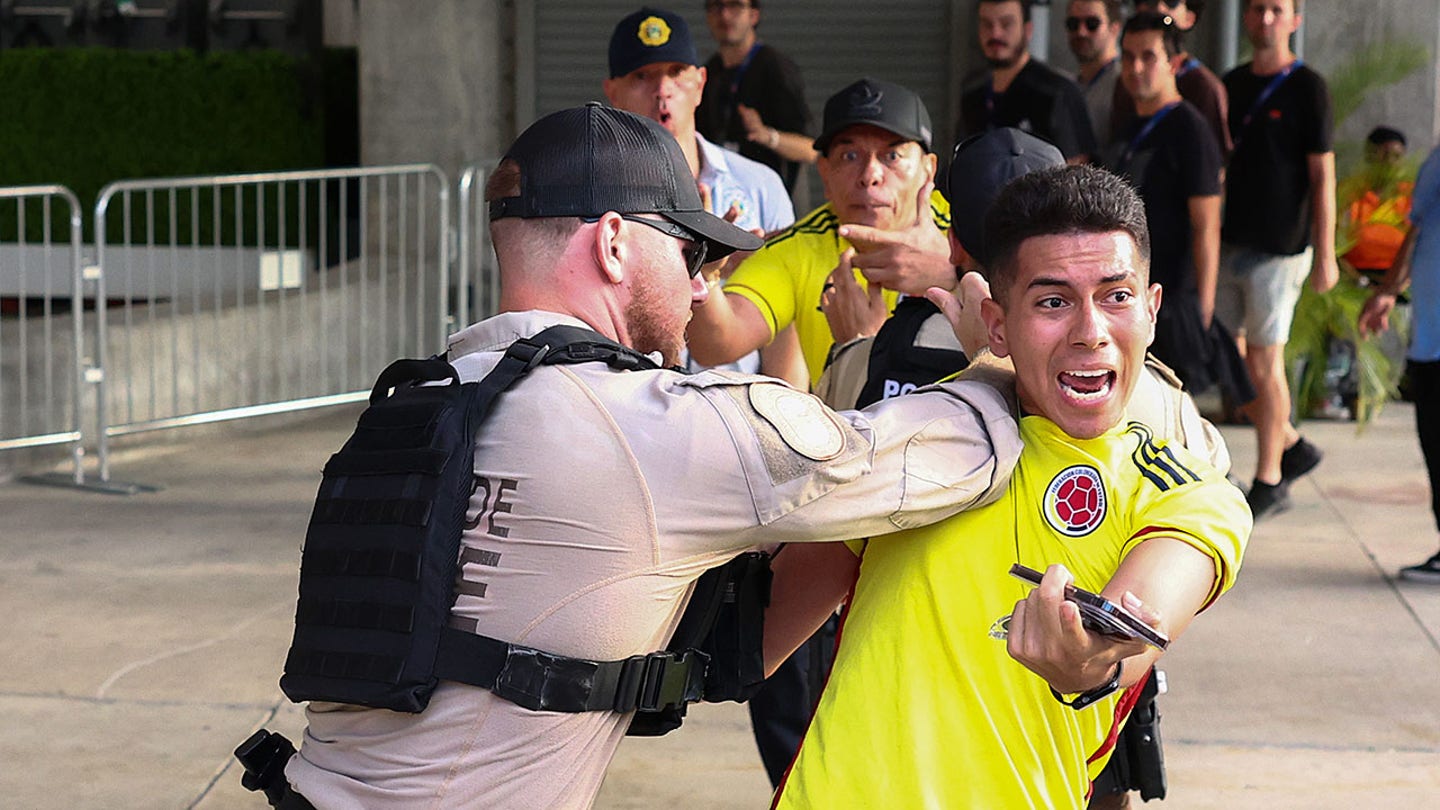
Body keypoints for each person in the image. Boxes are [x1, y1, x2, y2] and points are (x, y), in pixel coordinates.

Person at [276, 103, 1027, 809]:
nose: (702, 289)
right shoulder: (649, 426)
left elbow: (723, 644)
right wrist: (996, 345)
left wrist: (850, 531)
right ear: (612, 244)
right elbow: (954, 453)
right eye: (689, 251)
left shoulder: (414, 406)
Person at [771, 164, 1251, 808]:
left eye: (1116, 296)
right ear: (997, 322)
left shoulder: (1187, 490)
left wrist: (1087, 662)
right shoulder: (912, 442)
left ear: (1153, 309)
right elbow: (761, 634)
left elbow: (1132, 635)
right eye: (1053, 301)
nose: (1090, 330)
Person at [687, 77, 955, 388]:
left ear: (928, 169)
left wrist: (953, 274)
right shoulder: (800, 246)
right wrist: (704, 274)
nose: (870, 175)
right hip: (852, 434)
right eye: (849, 156)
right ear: (825, 174)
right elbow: (715, 344)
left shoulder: (970, 233)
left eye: (892, 156)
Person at [604, 6, 802, 383]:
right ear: (612, 91)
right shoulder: (594, 196)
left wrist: (787, 423)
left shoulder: (760, 186)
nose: (663, 91)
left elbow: (784, 332)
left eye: (676, 73)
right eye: (641, 76)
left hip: (741, 411)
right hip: (633, 406)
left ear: (700, 82)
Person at [1219, 0, 1337, 519]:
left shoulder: (1309, 87)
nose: (1265, 18)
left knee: (1265, 363)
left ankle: (1270, 477)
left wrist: (1326, 253)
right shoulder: (1231, 83)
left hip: (1282, 248)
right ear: (1245, 18)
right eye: (1257, 9)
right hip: (1231, 243)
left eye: (1276, 9)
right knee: (1226, 355)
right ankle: (1290, 442)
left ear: (1295, 19)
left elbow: (1323, 177)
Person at [1105, 11, 1253, 410]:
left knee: (1175, 410)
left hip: (1177, 296)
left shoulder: (1191, 129)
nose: (1136, 68)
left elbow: (1207, 225)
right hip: (1135, 289)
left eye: (1148, 57)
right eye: (1128, 56)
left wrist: (1203, 308)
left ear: (1172, 63)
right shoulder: (1127, 124)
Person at [1359, 140, 1440, 583]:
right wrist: (1388, 291)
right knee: (1434, 446)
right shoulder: (1436, 161)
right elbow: (1418, 230)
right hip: (1429, 340)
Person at [696, 0, 815, 191]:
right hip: (726, 197)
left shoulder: (775, 67)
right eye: (716, 6)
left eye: (735, 5)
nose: (725, 15)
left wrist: (767, 136)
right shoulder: (710, 71)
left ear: (753, 15)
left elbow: (810, 149)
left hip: (772, 200)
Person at [959, 0, 1098, 163]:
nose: (995, 34)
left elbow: (1077, 169)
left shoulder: (1058, 92)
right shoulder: (972, 92)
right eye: (987, 25)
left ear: (1028, 29)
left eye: (1006, 24)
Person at [1114, 0, 1233, 159]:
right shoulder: (1125, 83)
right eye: (1150, 1)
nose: (1159, 8)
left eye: (1171, 2)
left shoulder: (1204, 87)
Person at [1341, 126, 1414, 286]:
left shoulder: (1410, 196)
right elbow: (1332, 245)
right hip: (1351, 280)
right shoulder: (1349, 193)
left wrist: (1400, 284)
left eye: (1397, 156)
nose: (1390, 162)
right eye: (1384, 155)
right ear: (1370, 155)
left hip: (1401, 282)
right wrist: (1360, 281)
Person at [1065, 0, 1123, 145]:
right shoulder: (1068, 85)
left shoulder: (1125, 83)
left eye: (1092, 24)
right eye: (1073, 24)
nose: (1081, 32)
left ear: (1114, 28)